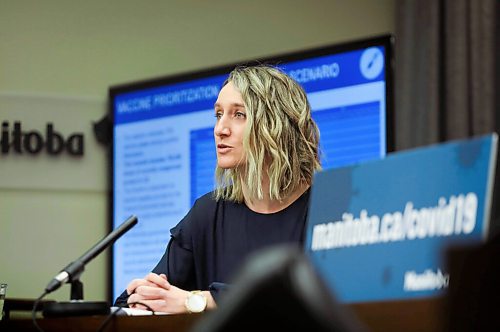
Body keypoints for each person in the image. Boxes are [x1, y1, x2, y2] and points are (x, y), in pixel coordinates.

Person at [115, 65, 321, 314]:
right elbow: (137, 301)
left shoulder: (327, 207)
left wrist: (201, 301)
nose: (220, 129)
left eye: (239, 115)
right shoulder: (208, 212)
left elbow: (315, 299)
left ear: (277, 126)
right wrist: (145, 297)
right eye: (218, 114)